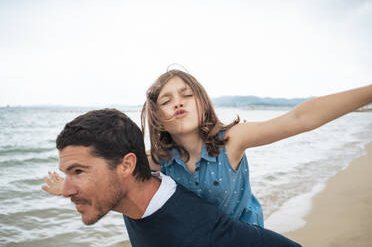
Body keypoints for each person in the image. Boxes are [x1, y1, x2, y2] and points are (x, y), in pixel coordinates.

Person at [44, 69, 372, 227]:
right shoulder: (158, 159)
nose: (178, 103)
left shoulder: (232, 141)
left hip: (244, 240)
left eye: (187, 95)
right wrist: (70, 185)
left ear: (202, 101)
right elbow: (113, 174)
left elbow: (301, 117)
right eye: (167, 100)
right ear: (157, 115)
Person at [52, 108, 301, 247]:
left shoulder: (199, 232)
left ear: (127, 165)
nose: (66, 190)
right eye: (68, 174)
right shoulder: (140, 190)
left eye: (79, 171)